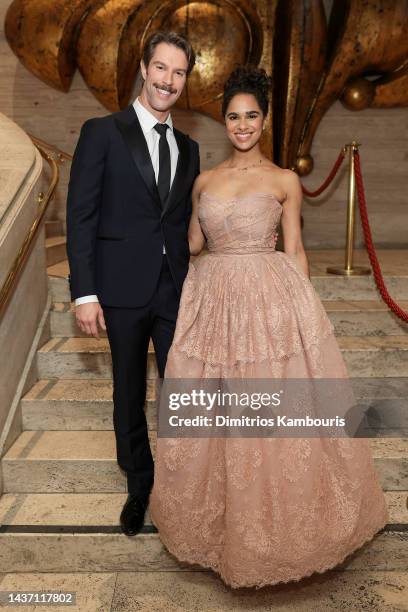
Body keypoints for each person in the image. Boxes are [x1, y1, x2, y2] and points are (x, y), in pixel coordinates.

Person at [148, 66, 388, 588]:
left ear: (264, 120)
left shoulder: (284, 180)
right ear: (225, 121)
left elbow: (294, 248)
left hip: (268, 299)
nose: (241, 125)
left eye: (251, 116)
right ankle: (221, 532)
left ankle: (282, 536)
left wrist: (305, 317)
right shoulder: (204, 181)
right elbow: (191, 243)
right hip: (213, 301)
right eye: (233, 116)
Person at [66, 31, 200, 536]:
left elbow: (186, 223)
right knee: (127, 392)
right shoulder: (102, 131)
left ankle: (182, 486)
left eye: (179, 72)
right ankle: (139, 487)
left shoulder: (190, 149)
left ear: (186, 80)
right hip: (118, 291)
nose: (168, 80)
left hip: (174, 290)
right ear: (145, 68)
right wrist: (85, 292)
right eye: (161, 68)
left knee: (179, 392)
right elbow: (80, 215)